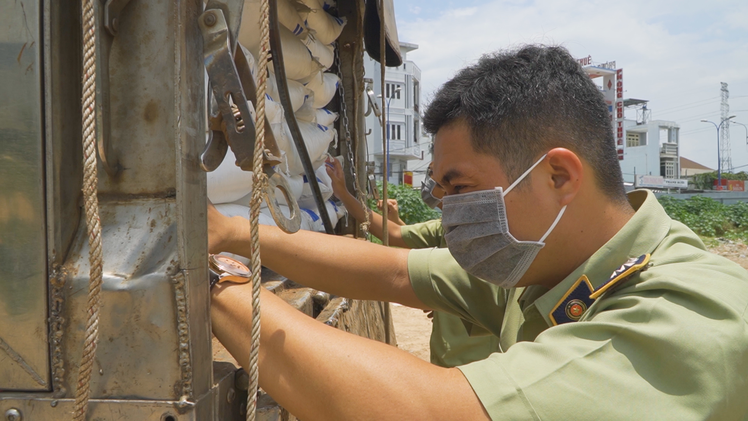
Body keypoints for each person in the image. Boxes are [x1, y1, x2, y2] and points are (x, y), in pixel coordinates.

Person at [209, 45, 748, 420]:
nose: (448, 214)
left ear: (558, 176)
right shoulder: (544, 265)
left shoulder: (688, 318)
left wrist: (214, 286)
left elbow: (426, 413)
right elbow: (393, 270)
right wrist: (231, 233)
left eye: (461, 188)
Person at [326, 158, 500, 368]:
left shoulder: (494, 240)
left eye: (442, 181)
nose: (432, 186)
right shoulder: (443, 229)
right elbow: (394, 232)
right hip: (444, 359)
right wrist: (343, 194)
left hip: (479, 364)